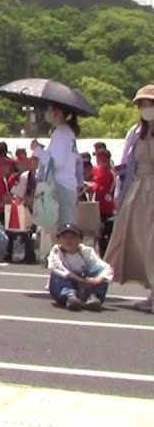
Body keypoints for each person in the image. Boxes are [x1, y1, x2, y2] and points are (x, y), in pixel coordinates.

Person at [105, 85, 154, 312]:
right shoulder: (136, 134)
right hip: (138, 191)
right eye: (142, 104)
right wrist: (121, 195)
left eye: (149, 104)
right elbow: (126, 167)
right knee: (140, 243)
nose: (146, 108)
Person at [31, 101, 83, 252]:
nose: (47, 113)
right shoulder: (65, 133)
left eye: (49, 109)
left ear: (58, 112)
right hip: (66, 185)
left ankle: (67, 257)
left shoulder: (62, 133)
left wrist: (38, 150)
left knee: (64, 229)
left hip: (61, 186)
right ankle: (64, 256)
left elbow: (56, 163)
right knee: (63, 227)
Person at [47, 223, 112, 311]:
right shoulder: (56, 251)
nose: (68, 240)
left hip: (84, 286)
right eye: (64, 237)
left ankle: (94, 297)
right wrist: (80, 279)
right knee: (58, 274)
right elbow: (56, 266)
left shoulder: (86, 251)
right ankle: (70, 297)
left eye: (72, 237)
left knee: (100, 271)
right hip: (64, 287)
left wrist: (97, 279)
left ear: (80, 239)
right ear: (58, 240)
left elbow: (107, 268)